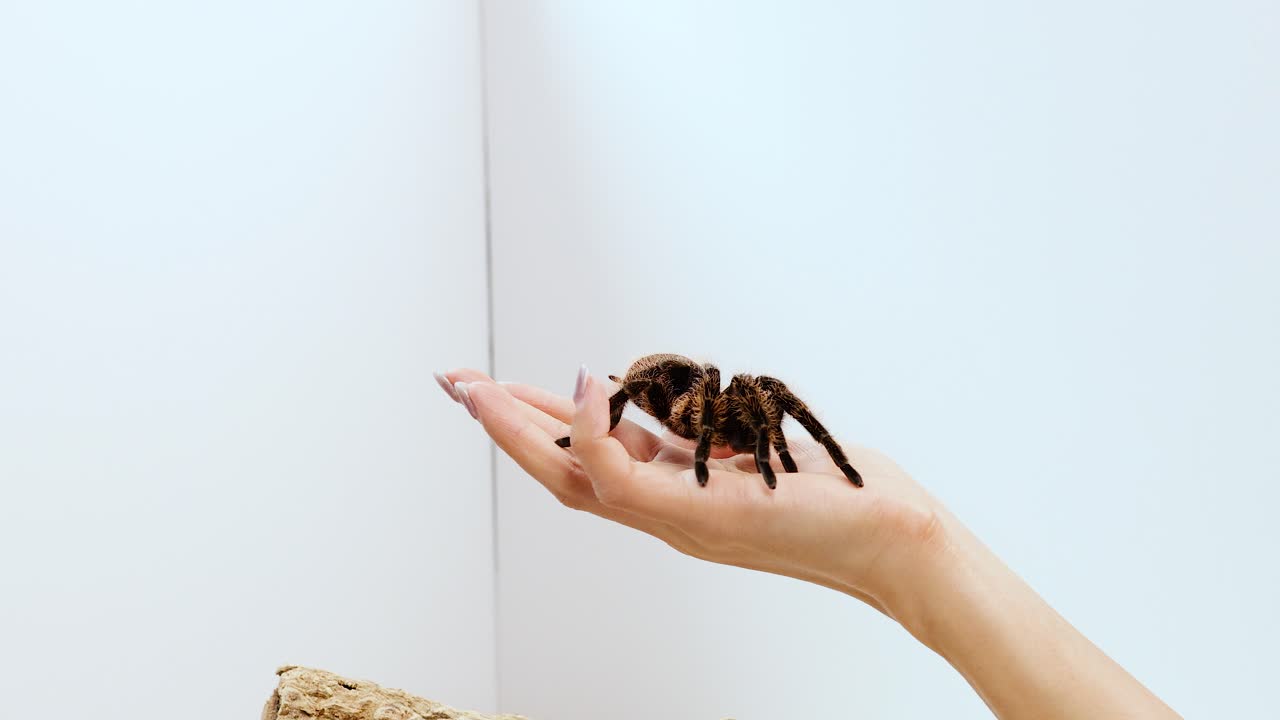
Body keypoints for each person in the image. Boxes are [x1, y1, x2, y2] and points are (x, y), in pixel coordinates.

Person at [436, 366, 1182, 720]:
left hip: (707, 413)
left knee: (761, 389)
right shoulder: (684, 397)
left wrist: (800, 468)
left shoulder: (743, 409)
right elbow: (671, 400)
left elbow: (765, 416)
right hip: (668, 390)